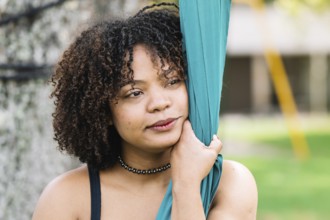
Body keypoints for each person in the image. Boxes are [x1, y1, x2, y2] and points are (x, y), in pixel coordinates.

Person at [32, 3, 258, 220]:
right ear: (105, 111)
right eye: (134, 93)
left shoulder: (229, 183)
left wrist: (187, 184)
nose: (159, 103)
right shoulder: (66, 198)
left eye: (172, 81)